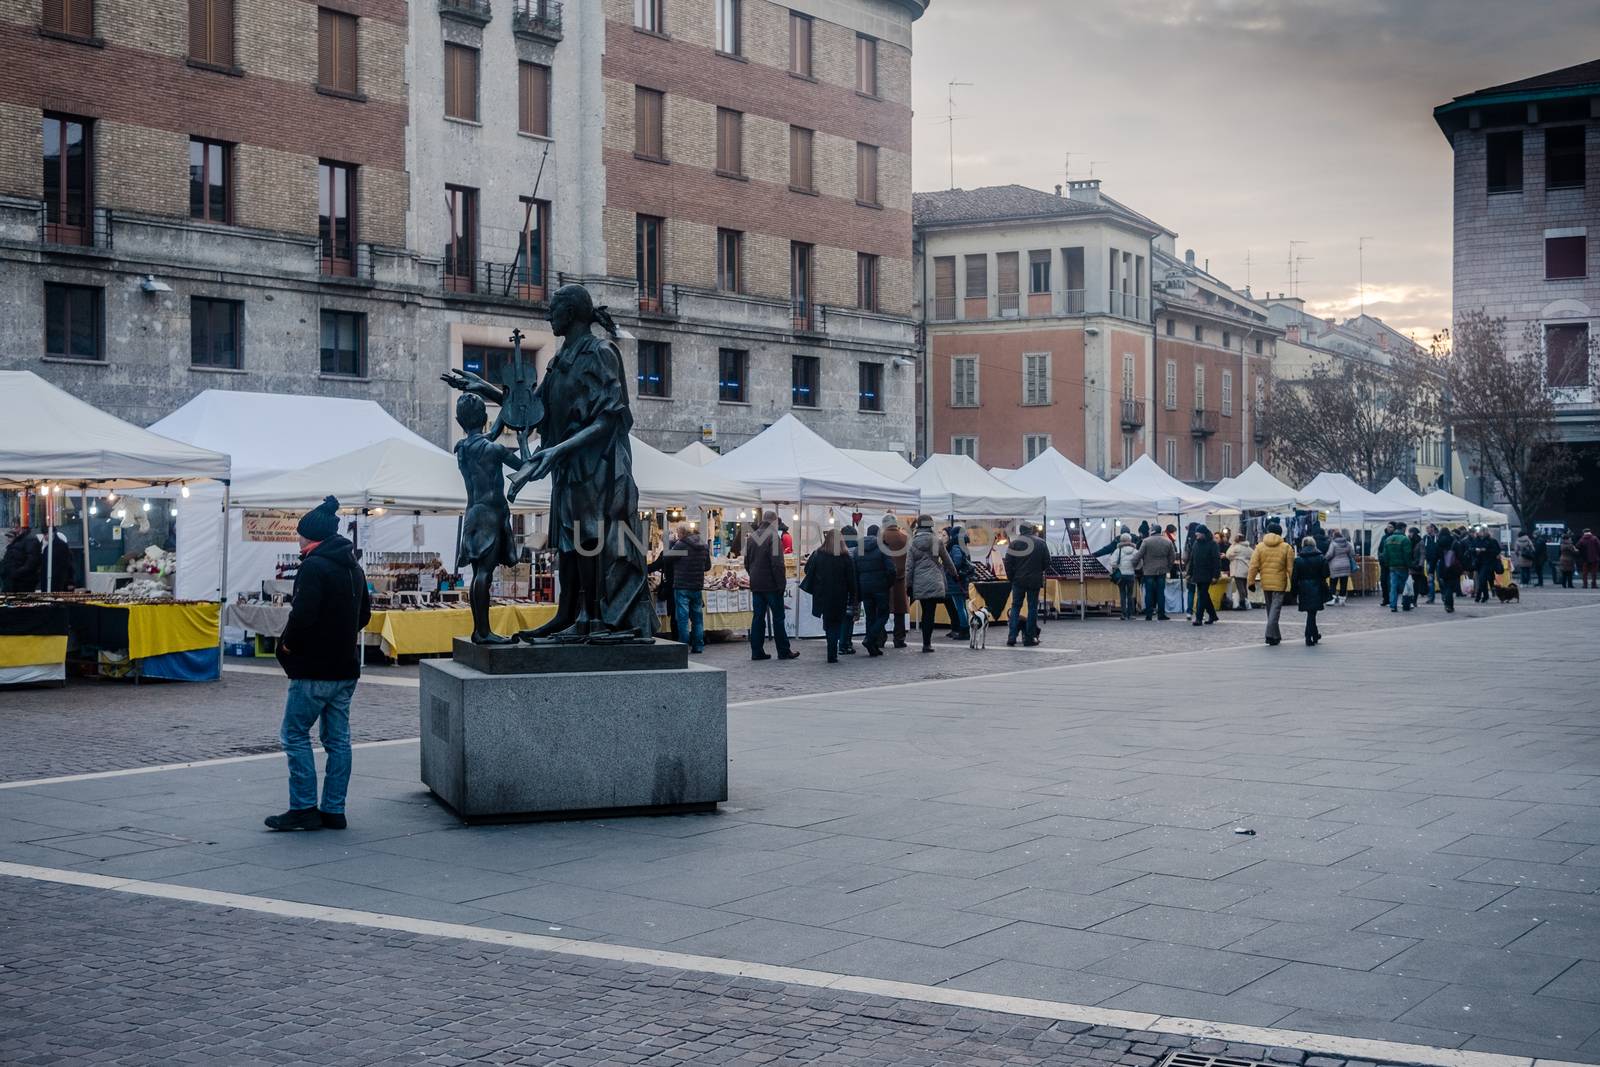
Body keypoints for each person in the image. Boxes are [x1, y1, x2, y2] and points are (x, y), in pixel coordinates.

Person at [267, 496, 371, 832]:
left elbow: (303, 616)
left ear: (312, 537)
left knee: (295, 735)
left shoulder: (314, 567)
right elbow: (364, 615)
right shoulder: (353, 567)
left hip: (314, 668)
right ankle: (334, 809)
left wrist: (287, 645)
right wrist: (341, 633)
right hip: (345, 666)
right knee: (338, 740)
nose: (297, 539)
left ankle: (303, 808)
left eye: (300, 534)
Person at [744, 511, 799, 661]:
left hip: (756, 584)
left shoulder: (752, 537)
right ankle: (783, 650)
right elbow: (777, 564)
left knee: (758, 618)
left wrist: (753, 576)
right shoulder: (774, 537)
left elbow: (746, 562)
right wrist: (781, 584)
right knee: (778, 618)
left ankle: (756, 651)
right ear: (774, 522)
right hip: (772, 585)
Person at [803, 528, 858, 664]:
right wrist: (854, 597)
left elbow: (807, 570)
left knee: (828, 623)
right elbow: (851, 580)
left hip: (822, 594)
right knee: (836, 623)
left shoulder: (818, 554)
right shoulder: (845, 557)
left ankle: (831, 650)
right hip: (840, 595)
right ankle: (832, 652)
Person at [905, 514, 957, 653]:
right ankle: (927, 644)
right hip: (935, 580)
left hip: (920, 581)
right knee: (930, 613)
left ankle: (925, 642)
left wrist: (908, 584)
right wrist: (954, 574)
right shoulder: (937, 541)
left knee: (925, 611)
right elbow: (947, 560)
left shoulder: (912, 543)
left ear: (919, 526)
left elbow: (909, 566)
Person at [1247, 522, 1295, 647]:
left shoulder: (1260, 547)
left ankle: (1275, 636)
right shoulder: (1286, 547)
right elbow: (1291, 569)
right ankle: (1270, 634)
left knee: (1270, 609)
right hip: (1280, 582)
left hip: (1265, 582)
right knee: (1275, 610)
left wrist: (1251, 581)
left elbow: (1253, 566)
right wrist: (1294, 583)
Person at [853, 524, 896, 656]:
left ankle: (872, 647)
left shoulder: (857, 549)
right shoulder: (883, 548)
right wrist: (888, 583)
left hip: (864, 586)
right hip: (880, 586)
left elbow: (855, 570)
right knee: (883, 614)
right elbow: (891, 569)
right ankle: (870, 639)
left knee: (870, 616)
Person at [666, 523, 710, 654]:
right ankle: (698, 646)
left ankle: (683, 647)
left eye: (678, 533)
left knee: (683, 619)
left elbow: (666, 558)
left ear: (681, 533)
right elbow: (707, 566)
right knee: (697, 618)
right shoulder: (703, 545)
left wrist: (671, 543)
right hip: (697, 585)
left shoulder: (681, 545)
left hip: (682, 586)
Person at [1005, 522, 1050, 646]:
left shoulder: (1014, 544)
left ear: (1020, 531)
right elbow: (1047, 562)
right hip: (1034, 580)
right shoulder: (1041, 543)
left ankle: (1012, 636)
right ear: (1031, 530)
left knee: (1015, 607)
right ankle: (1029, 637)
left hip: (1018, 580)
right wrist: (1038, 571)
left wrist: (1012, 578)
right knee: (1032, 608)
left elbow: (1008, 563)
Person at [1133, 521, 1176, 621]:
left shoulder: (1146, 541)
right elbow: (1172, 556)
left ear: (1152, 531)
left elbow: (1139, 554)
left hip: (1149, 571)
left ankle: (1149, 615)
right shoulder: (1167, 541)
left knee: (1149, 593)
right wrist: (1168, 567)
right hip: (1162, 570)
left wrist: (1133, 564)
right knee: (1161, 593)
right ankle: (1161, 614)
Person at [1292, 535, 1331, 646]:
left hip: (1303, 588)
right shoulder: (1321, 558)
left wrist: (1293, 591)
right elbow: (1326, 574)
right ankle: (1309, 636)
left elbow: (1294, 577)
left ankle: (1314, 634)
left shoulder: (1298, 560)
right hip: (1317, 586)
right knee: (1312, 613)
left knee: (1311, 613)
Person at [880, 515, 909, 648]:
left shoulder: (881, 537)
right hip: (901, 578)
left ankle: (881, 638)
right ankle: (899, 639)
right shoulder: (905, 537)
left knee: (882, 609)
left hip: (884, 578)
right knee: (899, 610)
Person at [646, 534, 680, 642]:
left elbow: (656, 566)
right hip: (687, 584)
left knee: (675, 613)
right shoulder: (684, 551)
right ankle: (689, 639)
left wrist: (642, 569)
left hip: (672, 585)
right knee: (687, 614)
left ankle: (677, 638)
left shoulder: (667, 553)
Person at [942, 525, 974, 641]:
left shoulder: (955, 546)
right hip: (962, 580)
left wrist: (951, 571)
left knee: (960, 607)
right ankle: (964, 629)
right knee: (962, 606)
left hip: (956, 581)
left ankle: (964, 630)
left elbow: (956, 562)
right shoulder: (963, 545)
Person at [1187, 526, 1221, 626]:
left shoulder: (1212, 544)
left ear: (1203, 534)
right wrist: (1189, 573)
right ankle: (1213, 615)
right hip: (1197, 574)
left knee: (1201, 596)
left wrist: (1216, 575)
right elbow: (1192, 560)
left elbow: (1216, 561)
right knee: (1204, 595)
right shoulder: (1196, 544)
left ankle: (1198, 618)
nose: (1196, 535)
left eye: (1198, 533)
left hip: (1207, 574)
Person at [1378, 523, 1414, 612]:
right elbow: (1407, 555)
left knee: (1393, 587)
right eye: (1405, 529)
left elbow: (1385, 554)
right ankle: (1406, 604)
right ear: (1402, 528)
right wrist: (1410, 566)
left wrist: (1387, 564)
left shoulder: (1388, 539)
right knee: (1406, 586)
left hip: (1392, 567)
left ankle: (1393, 605)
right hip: (1403, 567)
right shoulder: (1405, 539)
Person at [1, 525, 42, 594]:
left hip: (22, 582)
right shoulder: (17, 543)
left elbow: (31, 563)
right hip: (13, 580)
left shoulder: (29, 540)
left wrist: (16, 573)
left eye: (16, 527)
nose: (14, 529)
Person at [1110, 532, 1139, 620]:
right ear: (1130, 540)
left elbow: (1112, 563)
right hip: (1131, 575)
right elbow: (1139, 561)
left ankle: (1123, 614)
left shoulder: (1117, 551)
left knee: (1122, 594)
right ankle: (1130, 614)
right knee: (1130, 595)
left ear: (1121, 540)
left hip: (1121, 575)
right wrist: (1134, 567)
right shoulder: (1134, 550)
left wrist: (1118, 566)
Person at [1324, 528, 1356, 605]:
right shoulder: (1347, 543)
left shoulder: (1333, 544)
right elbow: (1352, 553)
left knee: (1333, 583)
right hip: (1345, 566)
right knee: (1344, 583)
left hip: (1335, 566)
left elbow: (1330, 554)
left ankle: (1332, 599)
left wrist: (1325, 559)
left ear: (1334, 536)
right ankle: (1342, 599)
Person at [1224, 533, 1252, 611]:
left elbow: (1228, 555)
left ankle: (1242, 603)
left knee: (1240, 587)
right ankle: (1246, 603)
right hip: (1246, 568)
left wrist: (1233, 545)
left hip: (1237, 569)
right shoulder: (1248, 548)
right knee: (1244, 586)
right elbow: (1253, 556)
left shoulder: (1235, 547)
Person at [1435, 526, 1460, 613]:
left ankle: (1445, 598)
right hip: (1453, 565)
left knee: (1445, 584)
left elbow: (1435, 555)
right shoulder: (1454, 541)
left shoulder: (1438, 542)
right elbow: (1459, 554)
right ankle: (1449, 605)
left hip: (1442, 565)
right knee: (1450, 586)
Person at [1472, 529, 1500, 603]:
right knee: (1482, 580)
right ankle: (1484, 595)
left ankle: (1481, 596)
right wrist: (1475, 551)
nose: (1481, 533)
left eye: (1483, 532)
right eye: (1481, 531)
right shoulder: (1476, 540)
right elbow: (1471, 549)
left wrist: (1486, 550)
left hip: (1488, 563)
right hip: (1479, 563)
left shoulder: (1492, 541)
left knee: (1482, 579)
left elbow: (1497, 551)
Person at [1422, 524, 1441, 603]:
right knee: (1430, 580)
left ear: (1433, 528)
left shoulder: (1438, 537)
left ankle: (1444, 596)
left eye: (1428, 528)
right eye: (1426, 528)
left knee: (1441, 579)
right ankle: (1431, 598)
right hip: (1429, 561)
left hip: (1438, 561)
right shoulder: (1425, 538)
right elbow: (1423, 548)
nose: (1427, 529)